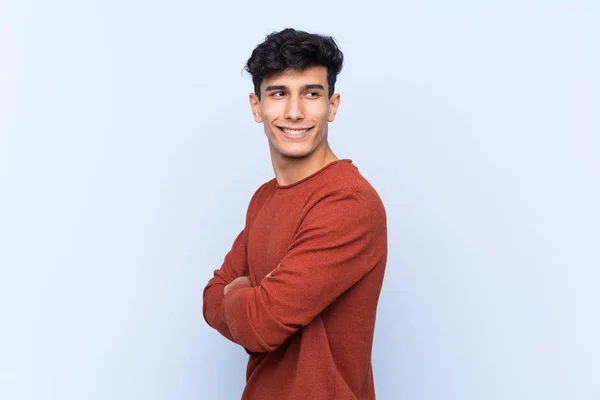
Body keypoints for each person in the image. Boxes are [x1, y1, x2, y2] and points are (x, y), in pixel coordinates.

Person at [202, 27, 388, 399]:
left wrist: (239, 293)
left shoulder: (348, 203)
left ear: (332, 106)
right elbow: (210, 299)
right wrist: (249, 297)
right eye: (279, 93)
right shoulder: (264, 199)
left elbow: (259, 326)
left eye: (311, 94)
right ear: (257, 106)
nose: (294, 112)